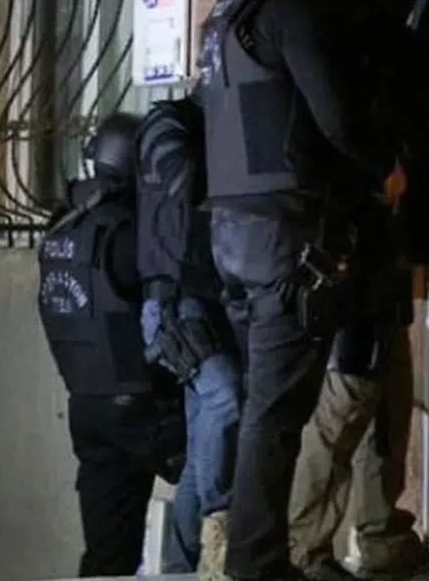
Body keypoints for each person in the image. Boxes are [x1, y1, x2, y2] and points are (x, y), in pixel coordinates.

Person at [197, 0, 406, 581]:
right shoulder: (298, 7)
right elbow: (338, 118)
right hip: (291, 240)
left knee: (266, 406)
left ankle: (257, 557)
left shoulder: (230, 9)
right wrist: (384, 166)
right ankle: (258, 563)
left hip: (235, 236)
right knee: (278, 415)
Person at [286, 0, 429, 581]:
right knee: (347, 393)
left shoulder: (341, 8)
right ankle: (305, 548)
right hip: (347, 237)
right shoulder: (343, 9)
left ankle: (382, 534)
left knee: (384, 389)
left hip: (374, 235)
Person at [35, 112, 185, 577]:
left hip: (87, 409)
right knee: (226, 471)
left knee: (107, 558)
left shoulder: (62, 230)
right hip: (141, 406)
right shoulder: (127, 232)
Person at [135, 93, 243, 576]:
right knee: (226, 399)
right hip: (176, 303)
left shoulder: (205, 129)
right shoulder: (168, 123)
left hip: (209, 301)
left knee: (203, 447)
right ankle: (218, 520)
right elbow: (185, 180)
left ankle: (181, 566)